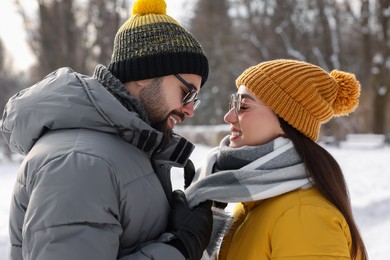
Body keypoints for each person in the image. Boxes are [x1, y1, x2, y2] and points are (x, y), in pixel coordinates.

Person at [0, 0, 213, 259]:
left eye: (195, 99)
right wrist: (180, 248)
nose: (190, 109)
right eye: (187, 92)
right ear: (146, 73)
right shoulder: (79, 162)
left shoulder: (124, 149)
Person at [185, 59, 368, 259]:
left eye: (243, 106)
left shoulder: (305, 216)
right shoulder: (252, 202)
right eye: (233, 103)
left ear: (287, 120)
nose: (229, 116)